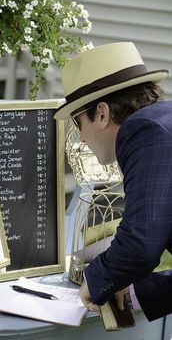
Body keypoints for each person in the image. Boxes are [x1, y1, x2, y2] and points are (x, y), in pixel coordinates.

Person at [54, 42, 172, 322]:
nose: (81, 137)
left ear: (103, 113)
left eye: (78, 122)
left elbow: (141, 244)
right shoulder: (162, 122)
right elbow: (151, 233)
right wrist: (135, 290)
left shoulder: (144, 130)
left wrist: (96, 281)